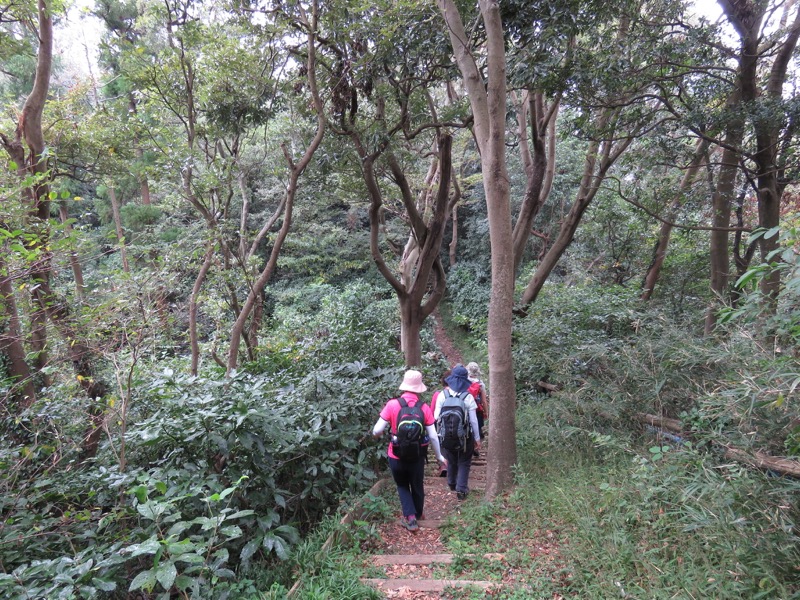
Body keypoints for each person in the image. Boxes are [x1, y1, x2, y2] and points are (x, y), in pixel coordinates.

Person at [372, 369, 447, 532]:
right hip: (417, 455)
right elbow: (433, 436)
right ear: (419, 388)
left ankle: (410, 517)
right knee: (417, 484)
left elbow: (377, 430)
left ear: (404, 386)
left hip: (396, 454)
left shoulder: (392, 405)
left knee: (402, 485)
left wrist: (378, 435)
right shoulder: (424, 407)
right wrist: (440, 457)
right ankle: (418, 513)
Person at [434, 364, 481, 501]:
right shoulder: (468, 397)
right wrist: (477, 439)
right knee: (464, 462)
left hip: (446, 435)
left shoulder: (442, 395)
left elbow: (436, 417)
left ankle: (452, 483)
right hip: (465, 437)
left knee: (451, 459)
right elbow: (473, 421)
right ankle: (461, 490)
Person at [430, 369, 452, 477]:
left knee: (441, 443)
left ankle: (443, 465)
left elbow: (433, 413)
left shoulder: (437, 394)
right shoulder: (460, 394)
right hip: (457, 426)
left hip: (441, 425)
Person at [466, 362, 489, 443]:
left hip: (465, 408)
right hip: (477, 409)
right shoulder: (480, 383)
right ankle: (477, 444)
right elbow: (483, 400)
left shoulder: (465, 381)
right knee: (477, 426)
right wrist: (486, 412)